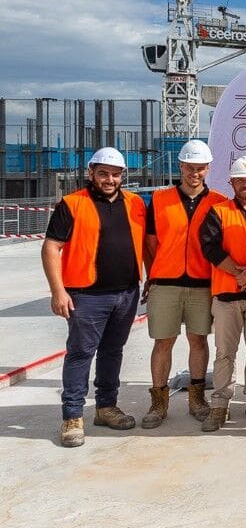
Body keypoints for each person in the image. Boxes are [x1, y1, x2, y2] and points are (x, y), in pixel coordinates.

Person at [42, 147, 146, 447]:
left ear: (122, 176)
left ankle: (106, 407)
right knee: (80, 353)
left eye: (115, 174)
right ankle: (73, 416)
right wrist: (57, 291)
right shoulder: (72, 204)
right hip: (86, 295)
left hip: (126, 293)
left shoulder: (136, 203)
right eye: (103, 173)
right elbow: (51, 248)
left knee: (113, 352)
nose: (109, 179)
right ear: (91, 173)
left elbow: (146, 242)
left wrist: (149, 277)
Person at [141, 139, 226, 428]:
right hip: (165, 284)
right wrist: (153, 275)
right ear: (181, 166)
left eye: (200, 168)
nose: (195, 173)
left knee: (198, 340)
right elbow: (150, 244)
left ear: (208, 169)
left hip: (202, 284)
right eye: (190, 167)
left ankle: (197, 398)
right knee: (163, 341)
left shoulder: (218, 203)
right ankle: (158, 402)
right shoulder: (160, 200)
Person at [197, 156, 246, 432]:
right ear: (231, 183)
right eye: (240, 180)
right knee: (225, 352)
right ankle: (220, 404)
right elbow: (211, 248)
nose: (245, 185)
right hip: (227, 294)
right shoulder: (218, 212)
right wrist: (242, 274)